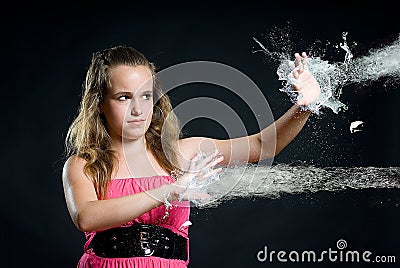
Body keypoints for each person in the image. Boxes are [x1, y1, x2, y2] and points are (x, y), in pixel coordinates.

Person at [62, 45, 321, 267]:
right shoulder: (83, 165)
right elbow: (86, 217)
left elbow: (261, 146)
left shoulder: (181, 152)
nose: (138, 109)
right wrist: (166, 192)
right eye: (123, 97)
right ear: (99, 103)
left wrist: (303, 106)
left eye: (146, 96)